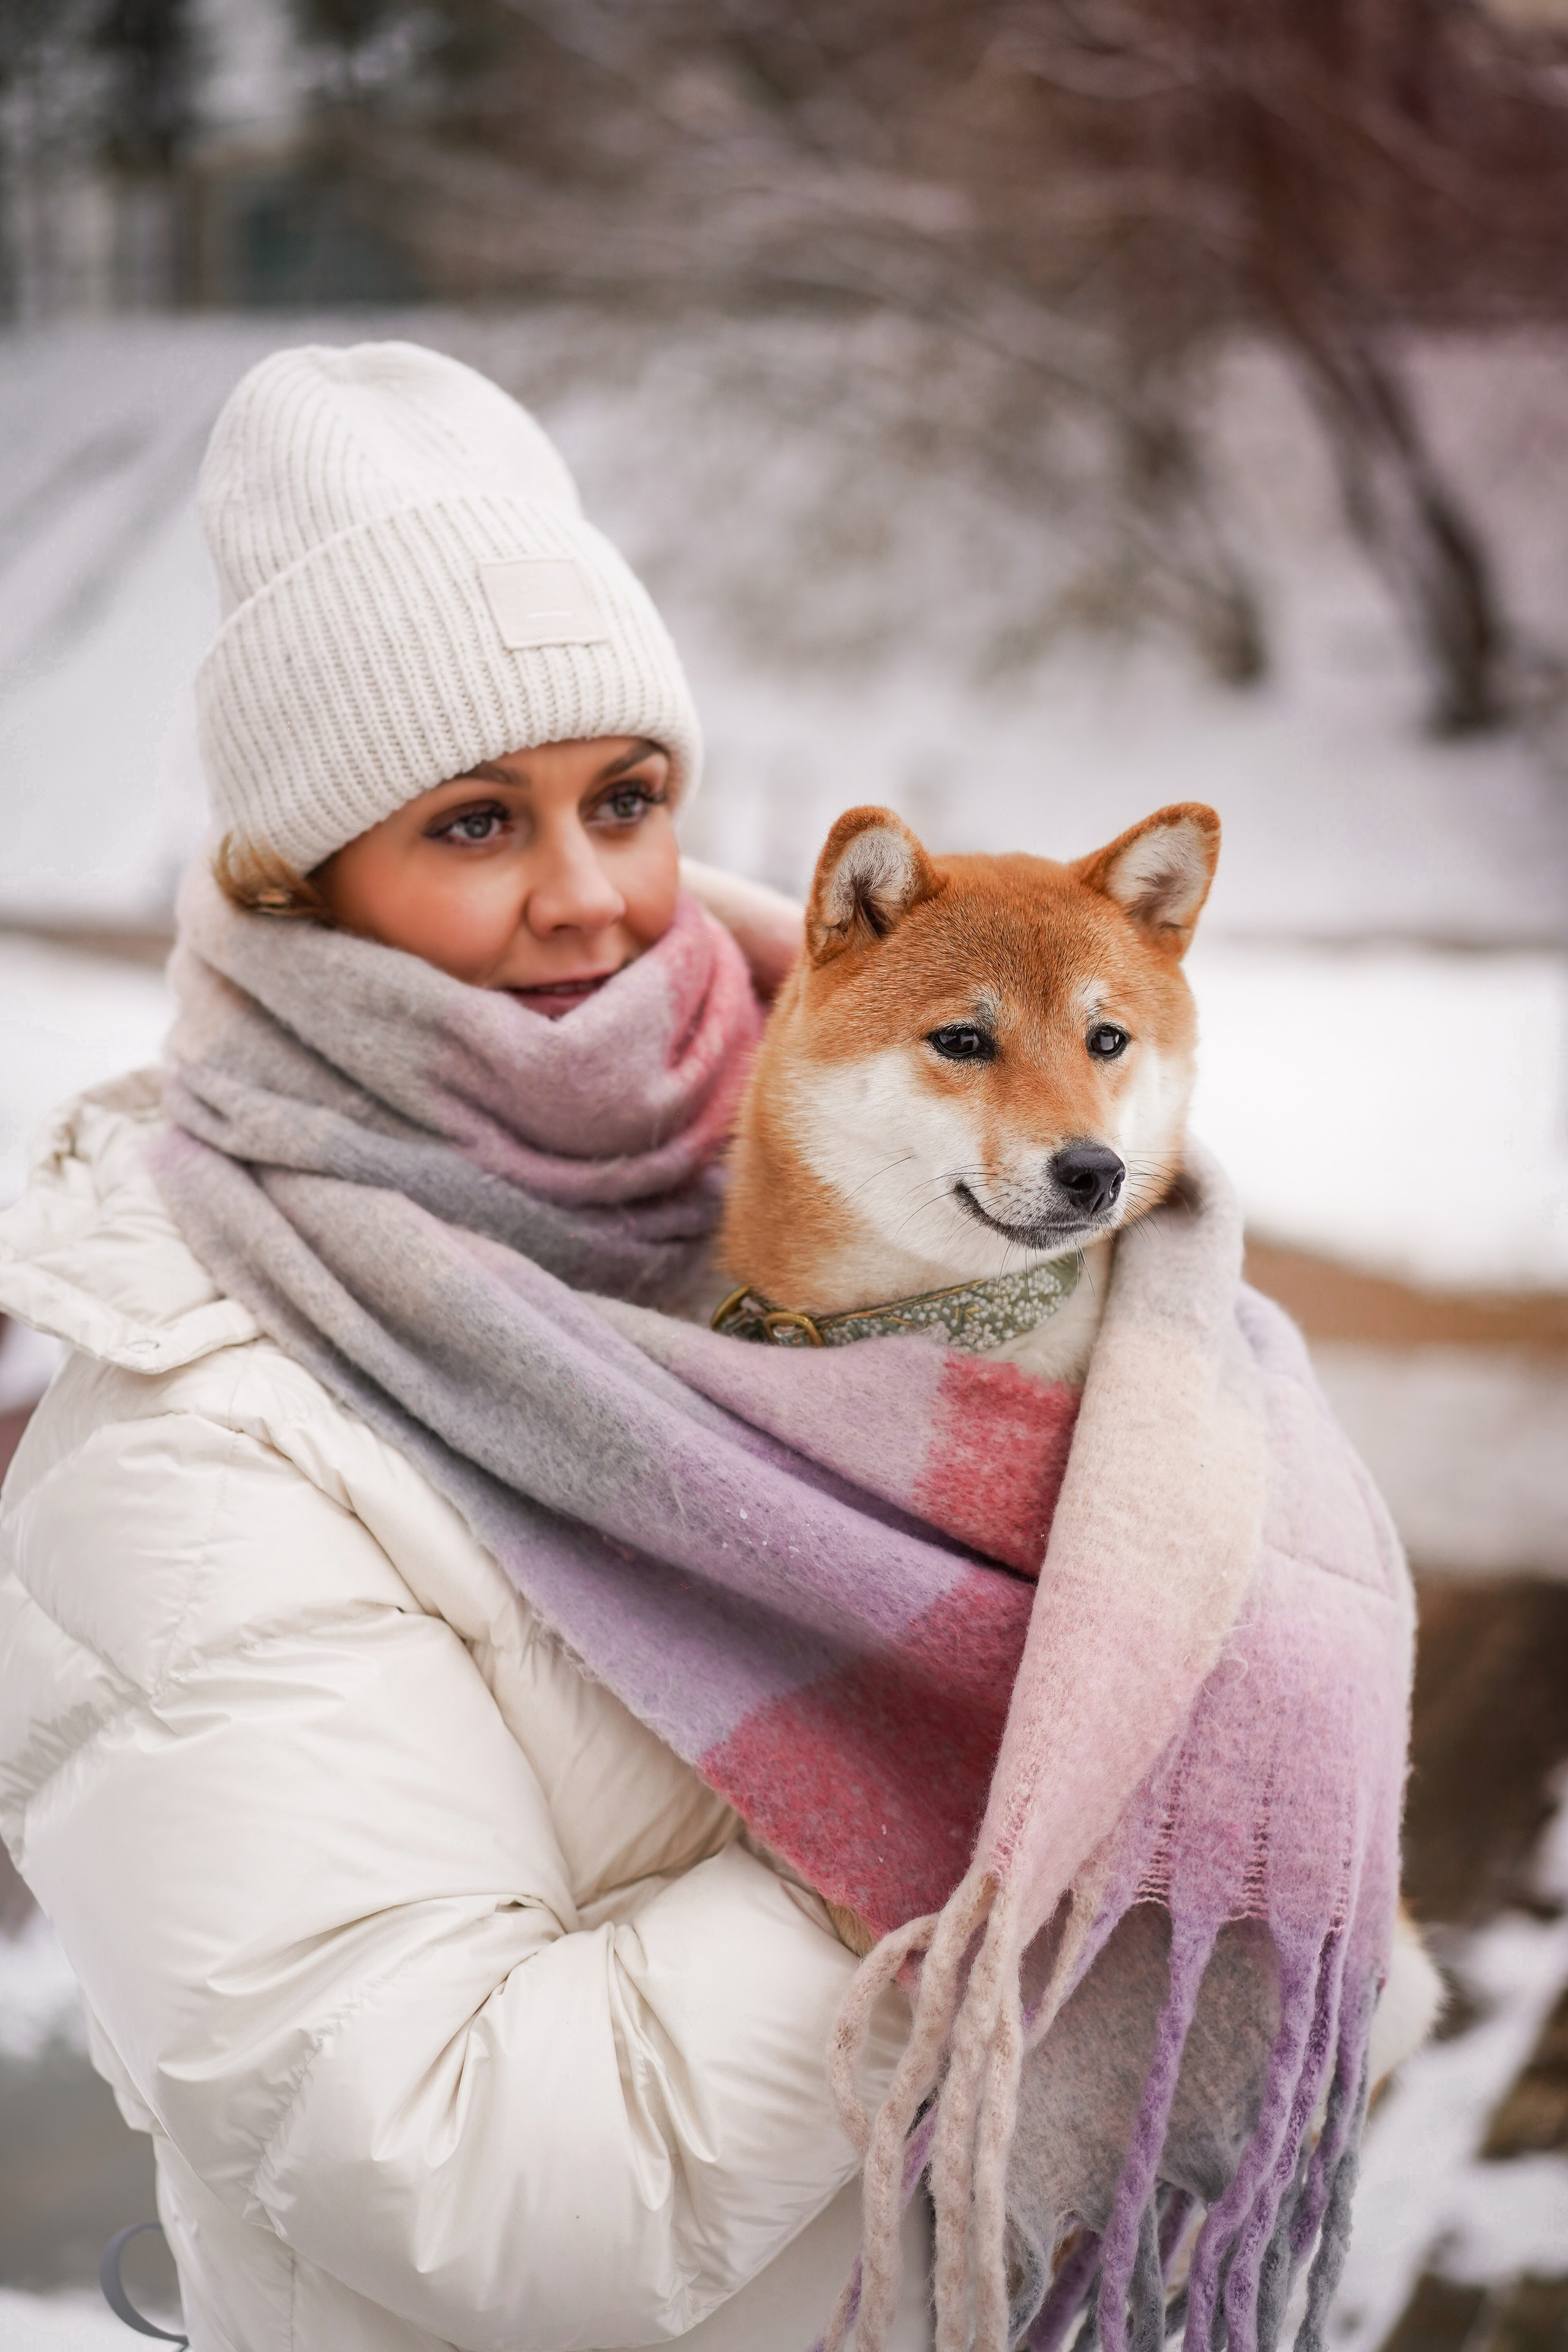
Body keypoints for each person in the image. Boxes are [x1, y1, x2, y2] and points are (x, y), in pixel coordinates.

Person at [0, 344, 930, 2350]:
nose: (588, 898)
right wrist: (975, 1767)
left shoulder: (892, 1188)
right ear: (305, 879)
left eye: (627, 800)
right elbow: (480, 2179)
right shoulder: (194, 1436)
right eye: (478, 822)